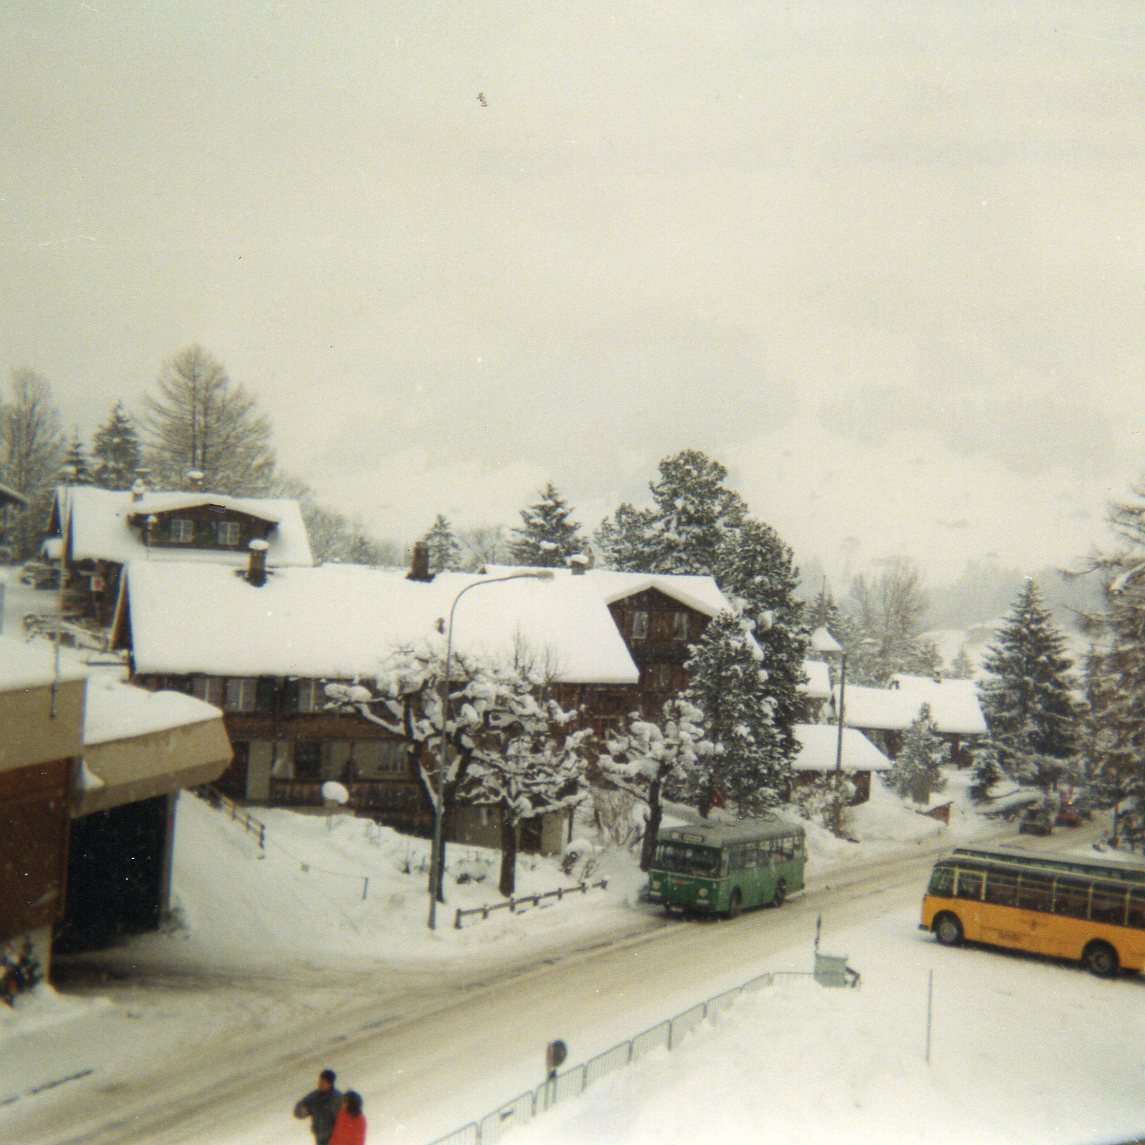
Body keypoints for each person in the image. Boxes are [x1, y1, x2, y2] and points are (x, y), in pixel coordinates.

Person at [294, 1068, 342, 1145]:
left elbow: (343, 1119)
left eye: (323, 1081)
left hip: (334, 1138)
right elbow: (300, 1109)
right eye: (320, 1081)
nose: (319, 1083)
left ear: (329, 1083)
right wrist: (302, 1111)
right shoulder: (314, 1096)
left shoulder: (338, 1098)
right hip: (320, 1138)